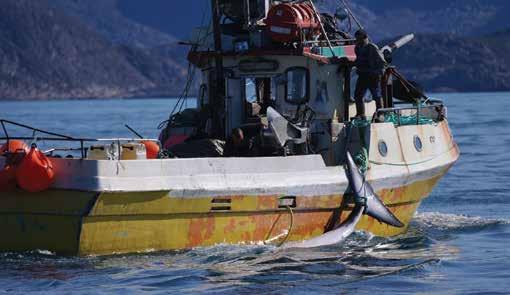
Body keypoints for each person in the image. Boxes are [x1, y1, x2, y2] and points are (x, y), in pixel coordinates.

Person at [353, 29, 387, 119]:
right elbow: (358, 60)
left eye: (359, 39)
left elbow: (382, 62)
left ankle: (380, 113)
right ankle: (360, 114)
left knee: (376, 95)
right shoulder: (357, 48)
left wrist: (379, 73)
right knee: (358, 95)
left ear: (365, 38)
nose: (357, 41)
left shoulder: (372, 47)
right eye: (356, 39)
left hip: (373, 75)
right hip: (362, 75)